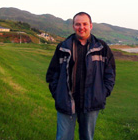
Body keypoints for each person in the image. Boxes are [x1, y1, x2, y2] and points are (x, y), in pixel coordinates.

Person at [46, 12, 116, 140]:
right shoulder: (62, 47)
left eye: (84, 24)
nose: (81, 27)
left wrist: (102, 92)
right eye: (78, 24)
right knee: (63, 138)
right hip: (66, 102)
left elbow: (110, 74)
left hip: (91, 103)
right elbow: (52, 74)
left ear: (91, 26)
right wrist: (58, 93)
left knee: (87, 137)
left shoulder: (102, 47)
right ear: (73, 26)